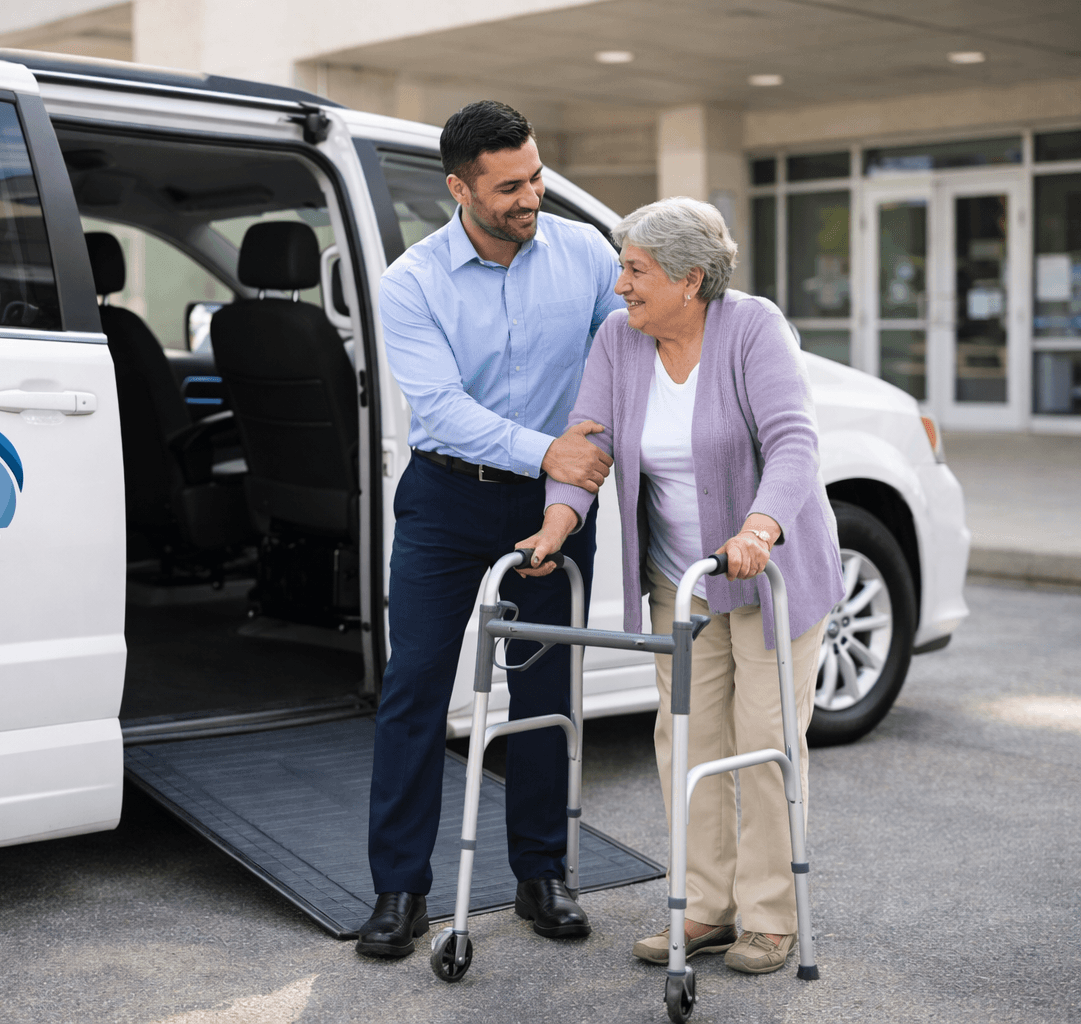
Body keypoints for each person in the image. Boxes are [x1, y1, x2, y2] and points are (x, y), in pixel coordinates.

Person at [516, 196, 844, 974]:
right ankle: (703, 907)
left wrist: (760, 528)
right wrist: (557, 524)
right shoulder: (618, 340)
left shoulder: (752, 327)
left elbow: (794, 441)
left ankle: (770, 914)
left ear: (689, 281)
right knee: (687, 743)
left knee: (765, 745)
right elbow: (586, 439)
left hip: (769, 577)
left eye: (635, 270)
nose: (621, 285)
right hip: (682, 581)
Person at [357, 100, 622, 958]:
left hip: (551, 505)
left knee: (545, 692)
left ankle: (542, 876)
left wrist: (569, 477)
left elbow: (613, 370)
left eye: (536, 176)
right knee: (416, 690)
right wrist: (552, 448)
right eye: (509, 185)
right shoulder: (411, 283)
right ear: (459, 188)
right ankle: (400, 891)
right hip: (447, 499)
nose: (529, 196)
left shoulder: (585, 252)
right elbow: (442, 411)